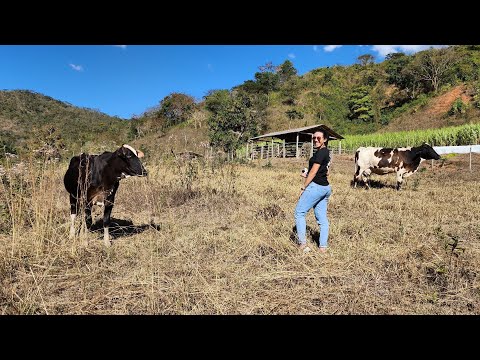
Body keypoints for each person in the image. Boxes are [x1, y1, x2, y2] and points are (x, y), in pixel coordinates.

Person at [295, 129, 332, 253]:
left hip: (315, 187)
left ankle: (302, 244)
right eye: (314, 138)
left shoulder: (321, 153)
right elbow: (326, 171)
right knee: (322, 219)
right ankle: (323, 247)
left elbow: (314, 171)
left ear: (325, 139)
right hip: (325, 188)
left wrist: (303, 187)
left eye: (319, 138)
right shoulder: (326, 153)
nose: (316, 140)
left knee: (299, 212)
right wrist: (308, 174)